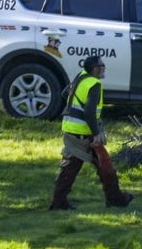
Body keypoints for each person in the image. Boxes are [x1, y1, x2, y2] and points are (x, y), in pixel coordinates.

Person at [49, 54, 133, 210]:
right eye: (101, 66)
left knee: (70, 167)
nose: (104, 68)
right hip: (84, 134)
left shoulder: (80, 76)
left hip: (70, 131)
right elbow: (89, 113)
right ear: (95, 69)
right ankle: (115, 199)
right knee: (105, 165)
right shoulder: (94, 84)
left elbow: (65, 94)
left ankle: (59, 202)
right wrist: (96, 134)